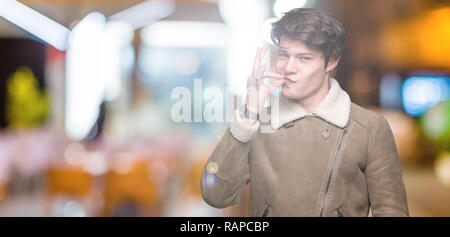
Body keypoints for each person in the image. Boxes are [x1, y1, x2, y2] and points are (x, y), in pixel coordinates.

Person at [201, 8, 409, 217]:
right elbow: (215, 194)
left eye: (304, 58)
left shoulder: (369, 128)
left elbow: (392, 211)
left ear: (332, 61)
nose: (289, 67)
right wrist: (249, 115)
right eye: (284, 55)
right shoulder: (258, 122)